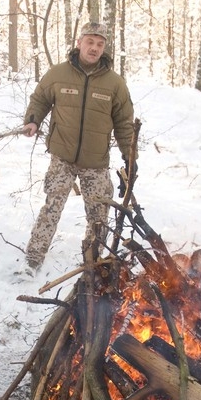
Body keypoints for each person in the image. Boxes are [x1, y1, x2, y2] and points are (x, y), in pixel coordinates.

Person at [21, 21, 137, 271]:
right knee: (52, 207)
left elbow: (125, 123)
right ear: (79, 43)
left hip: (95, 161)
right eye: (90, 42)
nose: (94, 48)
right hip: (62, 155)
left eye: (99, 44)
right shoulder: (58, 74)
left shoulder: (115, 83)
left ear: (104, 48)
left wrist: (129, 156)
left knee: (98, 216)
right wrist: (33, 120)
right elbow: (40, 99)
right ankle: (33, 257)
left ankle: (92, 261)